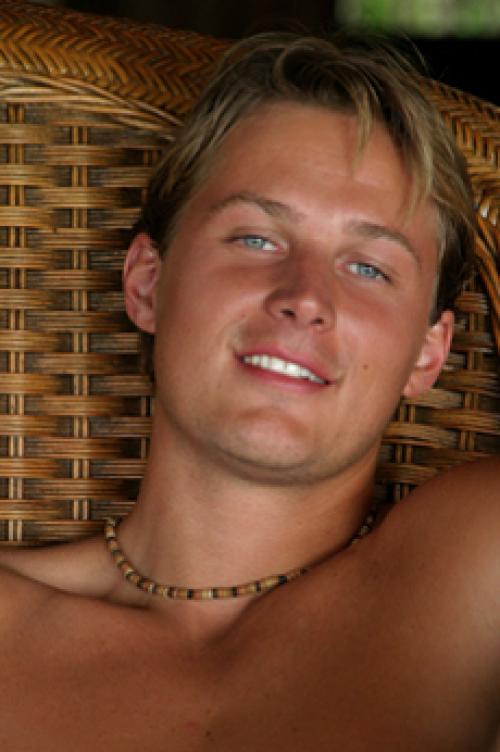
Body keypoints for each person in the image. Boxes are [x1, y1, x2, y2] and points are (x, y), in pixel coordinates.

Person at [0, 32, 498, 752]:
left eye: (369, 268)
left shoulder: (475, 563)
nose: (306, 297)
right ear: (148, 283)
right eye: (257, 238)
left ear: (429, 353)